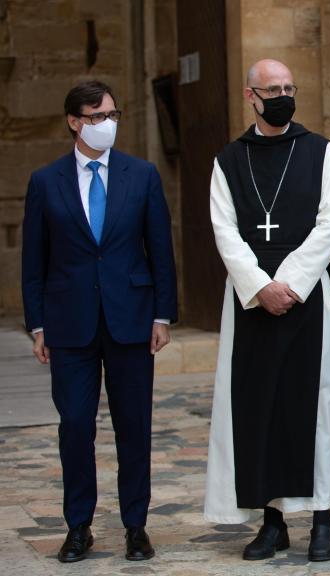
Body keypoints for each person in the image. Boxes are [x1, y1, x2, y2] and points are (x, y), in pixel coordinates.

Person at [203, 59, 330, 562]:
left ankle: (321, 519)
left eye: (290, 87)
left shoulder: (321, 152)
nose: (283, 95)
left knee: (312, 405)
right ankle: (271, 523)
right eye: (273, 89)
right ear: (252, 95)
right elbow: (224, 230)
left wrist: (289, 283)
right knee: (258, 408)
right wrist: (259, 286)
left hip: (308, 296)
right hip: (251, 302)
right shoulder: (229, 161)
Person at [21, 80, 177, 563]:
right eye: (95, 117)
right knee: (74, 426)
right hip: (70, 324)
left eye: (112, 114)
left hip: (130, 319)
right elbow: (33, 260)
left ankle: (136, 524)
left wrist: (162, 313)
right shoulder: (46, 182)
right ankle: (78, 525)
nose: (105, 124)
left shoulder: (142, 175)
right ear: (73, 122)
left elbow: (160, 250)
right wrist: (38, 325)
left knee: (134, 425)